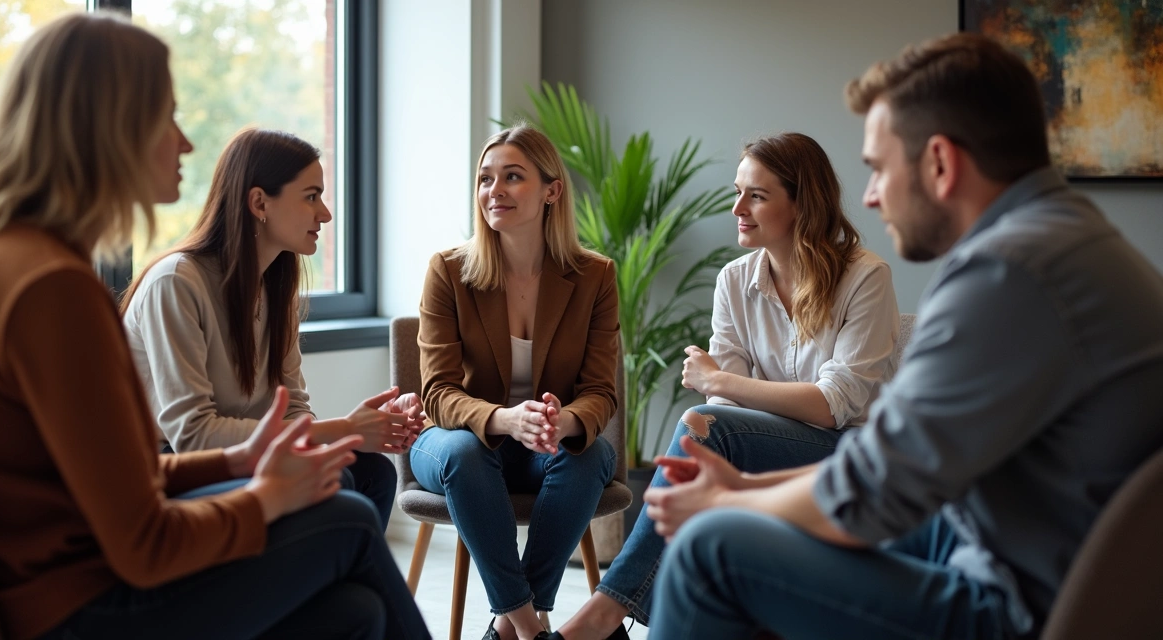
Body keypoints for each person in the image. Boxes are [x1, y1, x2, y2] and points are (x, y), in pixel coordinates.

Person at [644, 32, 1163, 640]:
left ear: (939, 164)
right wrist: (748, 486)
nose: (868, 195)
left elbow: (872, 494)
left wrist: (725, 505)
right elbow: (896, 463)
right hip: (1014, 541)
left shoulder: (1007, 274)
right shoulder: (1069, 241)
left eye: (878, 168)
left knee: (712, 547)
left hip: (1010, 604)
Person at [0, 13, 429, 640]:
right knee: (346, 519)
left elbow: (125, 477)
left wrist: (242, 457)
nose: (185, 142)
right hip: (76, 608)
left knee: (354, 614)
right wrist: (263, 497)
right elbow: (143, 542)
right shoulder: (50, 288)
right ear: (109, 128)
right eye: (165, 116)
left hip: (80, 578)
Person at [552, 132, 899, 640]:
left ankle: (607, 614)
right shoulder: (734, 281)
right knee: (704, 435)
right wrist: (725, 387)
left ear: (804, 203)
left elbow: (832, 406)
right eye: (738, 191)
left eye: (757, 195)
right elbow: (724, 407)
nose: (737, 207)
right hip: (764, 448)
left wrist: (720, 379)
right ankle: (637, 620)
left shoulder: (865, 277)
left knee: (702, 428)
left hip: (849, 455)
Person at [121, 127, 419, 528]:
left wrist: (364, 429)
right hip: (172, 469)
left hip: (240, 456)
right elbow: (192, 436)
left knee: (373, 472)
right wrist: (345, 429)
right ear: (260, 202)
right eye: (311, 196)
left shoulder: (275, 290)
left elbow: (294, 410)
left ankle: (333, 588)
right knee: (342, 480)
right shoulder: (175, 283)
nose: (325, 213)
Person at [412, 124, 619, 640]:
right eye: (485, 178)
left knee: (588, 454)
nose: (494, 190)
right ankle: (530, 628)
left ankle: (507, 625)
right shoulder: (448, 270)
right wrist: (505, 418)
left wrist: (565, 421)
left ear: (552, 190)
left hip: (543, 449)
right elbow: (436, 393)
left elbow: (601, 390)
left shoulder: (595, 276)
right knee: (463, 453)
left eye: (512, 177)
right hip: (456, 444)